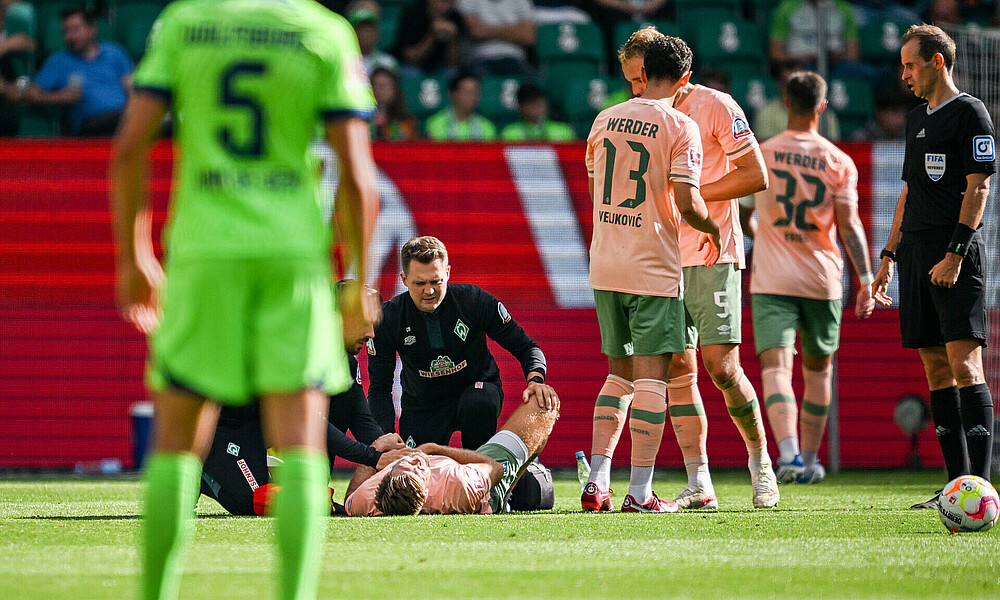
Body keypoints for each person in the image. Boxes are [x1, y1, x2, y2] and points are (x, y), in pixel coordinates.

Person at [110, 1, 379, 599]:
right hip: (291, 258)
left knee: (178, 441)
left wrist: (134, 256)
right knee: (301, 439)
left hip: (204, 253)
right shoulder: (322, 32)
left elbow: (129, 146)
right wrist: (358, 279)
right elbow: (360, 180)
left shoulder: (185, 24)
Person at [611, 26, 777, 510]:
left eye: (640, 79)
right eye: (629, 81)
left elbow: (755, 174)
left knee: (721, 368)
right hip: (659, 257)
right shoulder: (636, 115)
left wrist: (694, 200)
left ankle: (760, 460)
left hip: (711, 252)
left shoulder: (716, 106)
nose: (635, 90)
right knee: (678, 369)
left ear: (668, 74)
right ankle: (699, 481)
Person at [581, 35, 722, 514]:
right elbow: (687, 201)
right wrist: (712, 227)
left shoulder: (604, 119)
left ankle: (596, 480)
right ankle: (639, 492)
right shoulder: (681, 125)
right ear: (684, 79)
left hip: (605, 263)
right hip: (653, 269)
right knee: (652, 382)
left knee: (616, 376)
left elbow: (597, 183)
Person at [873, 24, 995, 509]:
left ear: (937, 62)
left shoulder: (970, 113)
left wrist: (955, 254)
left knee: (966, 365)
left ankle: (982, 491)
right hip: (916, 257)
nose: (904, 75)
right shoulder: (916, 117)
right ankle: (954, 488)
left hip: (953, 257)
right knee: (935, 369)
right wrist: (887, 257)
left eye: (910, 64)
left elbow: (978, 187)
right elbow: (908, 193)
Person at [751, 70, 876, 485]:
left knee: (776, 369)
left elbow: (745, 215)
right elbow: (850, 226)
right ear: (822, 107)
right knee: (818, 372)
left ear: (785, 102)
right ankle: (810, 459)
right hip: (822, 278)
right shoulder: (838, 161)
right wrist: (867, 277)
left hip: (771, 279)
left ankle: (788, 457)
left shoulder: (761, 153)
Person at [199, 284, 413, 516]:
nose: (372, 333)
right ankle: (200, 471)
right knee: (261, 502)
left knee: (309, 504)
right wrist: (374, 456)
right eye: (364, 322)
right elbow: (307, 421)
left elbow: (358, 417)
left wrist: (389, 449)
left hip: (263, 432)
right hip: (228, 433)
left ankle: (315, 489)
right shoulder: (297, 353)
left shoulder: (345, 364)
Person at [367, 236, 558, 452]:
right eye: (420, 283)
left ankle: (485, 473)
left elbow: (527, 347)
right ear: (403, 279)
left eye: (436, 281)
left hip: (476, 392)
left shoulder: (473, 301)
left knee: (478, 402)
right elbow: (379, 388)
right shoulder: (389, 318)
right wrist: (384, 436)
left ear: (447, 273)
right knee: (416, 473)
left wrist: (535, 380)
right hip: (423, 405)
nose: (429, 291)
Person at [344, 392, 559, 515]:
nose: (414, 461)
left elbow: (350, 500)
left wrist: (378, 448)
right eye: (419, 469)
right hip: (485, 481)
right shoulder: (461, 483)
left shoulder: (370, 497)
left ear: (386, 480)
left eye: (402, 466)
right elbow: (495, 468)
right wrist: (432, 449)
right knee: (542, 407)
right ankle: (508, 493)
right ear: (427, 488)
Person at [23, 6, 132, 136]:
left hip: (125, 118)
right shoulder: (58, 60)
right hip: (92, 124)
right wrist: (57, 97)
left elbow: (131, 87)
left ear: (92, 29)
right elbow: (30, 94)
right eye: (65, 31)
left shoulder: (115, 52)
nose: (69, 36)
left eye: (75, 30)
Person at [455, 0, 536, 78]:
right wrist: (515, 31)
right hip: (480, 59)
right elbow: (476, 32)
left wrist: (487, 29)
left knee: (534, 83)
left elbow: (528, 37)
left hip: (515, 60)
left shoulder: (521, 1)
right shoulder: (468, 1)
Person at [394, 0, 465, 77]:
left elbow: (453, 64)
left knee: (453, 74)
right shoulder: (413, 14)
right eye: (440, 1)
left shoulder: (456, 18)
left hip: (440, 68)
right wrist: (432, 35)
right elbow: (410, 59)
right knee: (410, 72)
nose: (443, 7)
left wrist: (452, 39)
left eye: (448, 2)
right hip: (412, 66)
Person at [425, 72, 497, 140]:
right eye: (467, 92)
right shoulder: (435, 124)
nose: (472, 96)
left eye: (476, 92)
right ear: (453, 94)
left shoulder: (487, 127)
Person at [0, 0, 36, 135]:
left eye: (3, 12)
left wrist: (5, 88)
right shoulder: (8, 43)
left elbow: (21, 87)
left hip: (8, 103)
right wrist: (6, 46)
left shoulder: (15, 39)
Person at [499, 82, 575, 142]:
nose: (536, 106)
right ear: (520, 107)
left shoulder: (563, 131)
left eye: (539, 101)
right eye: (530, 102)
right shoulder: (509, 134)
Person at [345, 0, 399, 76]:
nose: (365, 33)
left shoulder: (387, 63)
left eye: (369, 28)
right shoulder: (340, 61)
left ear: (377, 32)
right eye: (360, 28)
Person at [370, 67, 417, 141]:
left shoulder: (406, 120)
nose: (381, 90)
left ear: (394, 88)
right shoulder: (363, 120)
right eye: (377, 85)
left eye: (386, 85)